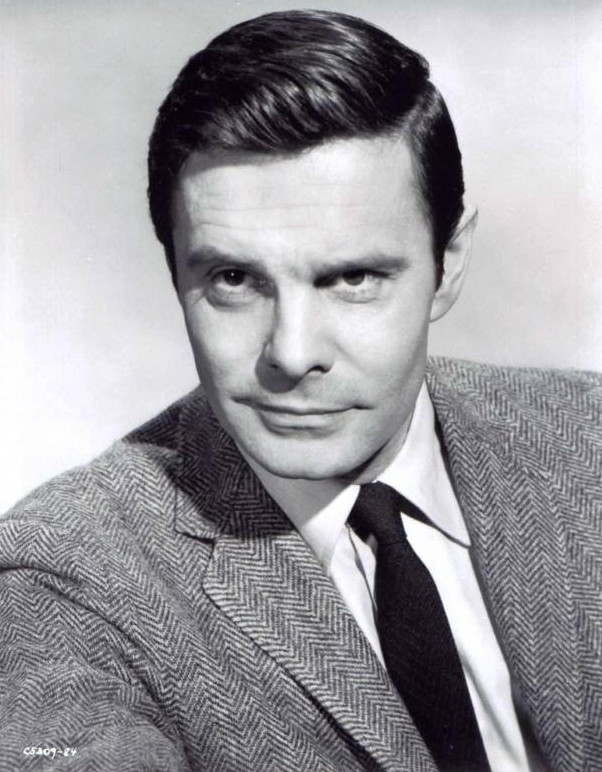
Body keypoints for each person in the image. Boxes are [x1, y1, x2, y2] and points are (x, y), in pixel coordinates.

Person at [1, 9, 600, 771]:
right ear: (177, 274)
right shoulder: (67, 577)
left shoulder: (587, 437)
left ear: (447, 265)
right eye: (234, 279)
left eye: (353, 277)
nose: (291, 353)